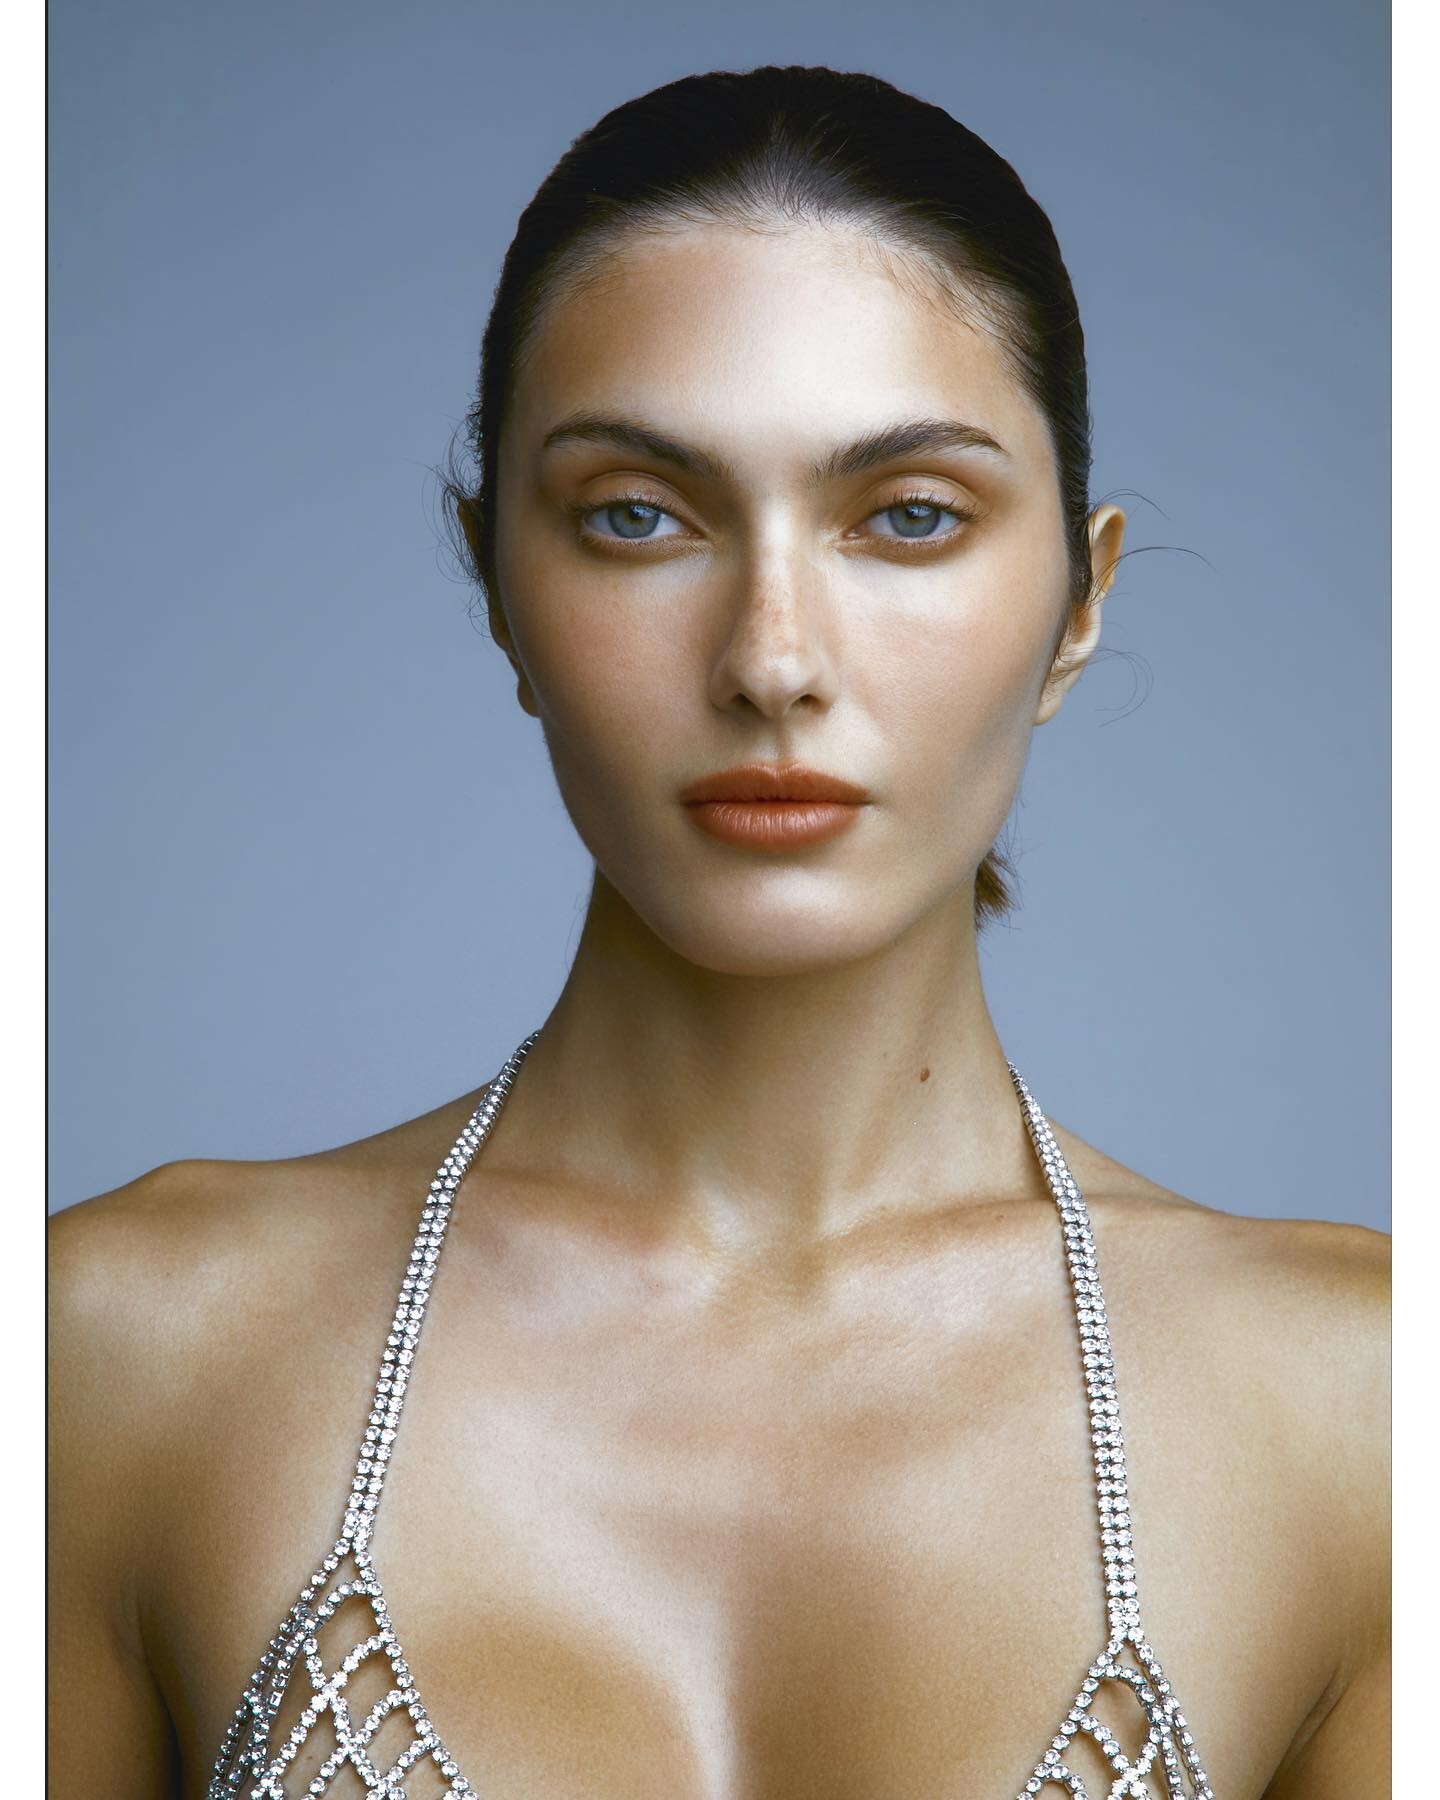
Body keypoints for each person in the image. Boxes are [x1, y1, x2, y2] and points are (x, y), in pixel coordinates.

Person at [49, 64, 1388, 1800]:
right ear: (499, 584)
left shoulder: (1362, 1411)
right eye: (639, 515)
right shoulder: (118, 1355)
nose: (771, 659)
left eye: (908, 517)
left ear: (1081, 599)